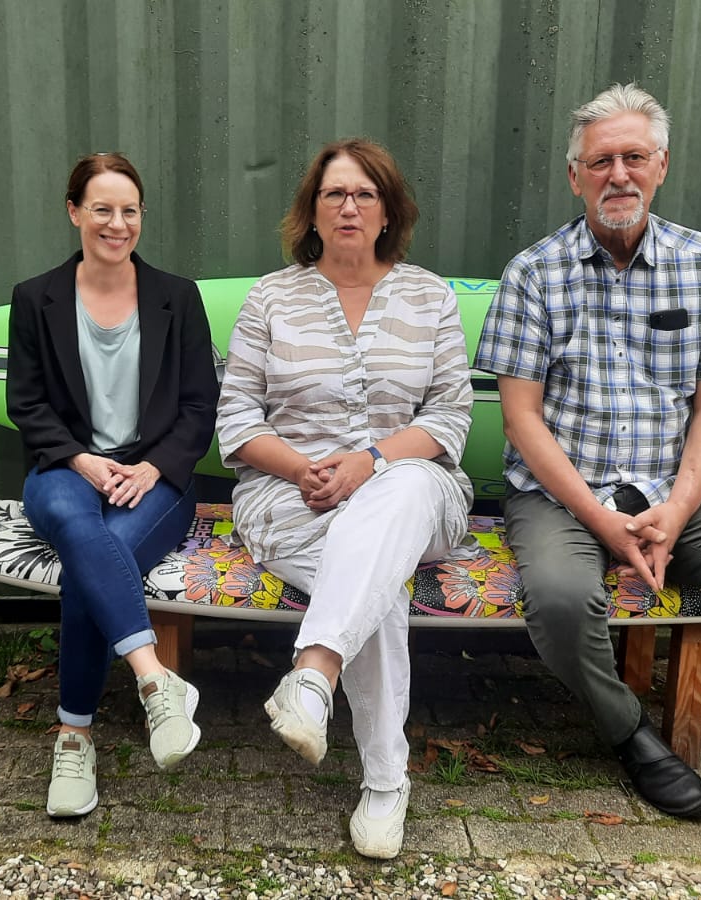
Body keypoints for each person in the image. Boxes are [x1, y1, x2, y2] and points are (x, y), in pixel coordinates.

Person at [475, 83, 701, 891]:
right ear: (575, 177)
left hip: (677, 492)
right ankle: (632, 734)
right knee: (566, 602)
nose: (618, 174)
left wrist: (675, 510)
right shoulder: (534, 272)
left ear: (661, 165)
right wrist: (604, 522)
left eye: (634, 157)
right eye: (600, 160)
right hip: (562, 496)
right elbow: (523, 420)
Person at [216, 139, 474, 860]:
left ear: (388, 210)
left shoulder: (429, 295)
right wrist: (304, 469)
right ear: (313, 211)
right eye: (335, 194)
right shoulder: (271, 298)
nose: (350, 206)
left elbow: (449, 418)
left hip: (418, 494)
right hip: (290, 499)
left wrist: (368, 461)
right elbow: (236, 420)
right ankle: (387, 783)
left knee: (402, 492)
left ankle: (314, 674)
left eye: (365, 194)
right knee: (379, 581)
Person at [5, 152, 219, 819]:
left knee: (93, 563)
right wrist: (80, 459)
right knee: (80, 531)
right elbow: (28, 404)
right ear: (74, 212)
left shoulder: (175, 297)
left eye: (129, 210)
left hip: (154, 477)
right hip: (65, 473)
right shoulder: (35, 298)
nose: (116, 223)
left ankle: (73, 735)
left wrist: (153, 467)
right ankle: (156, 683)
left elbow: (198, 406)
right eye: (102, 208)